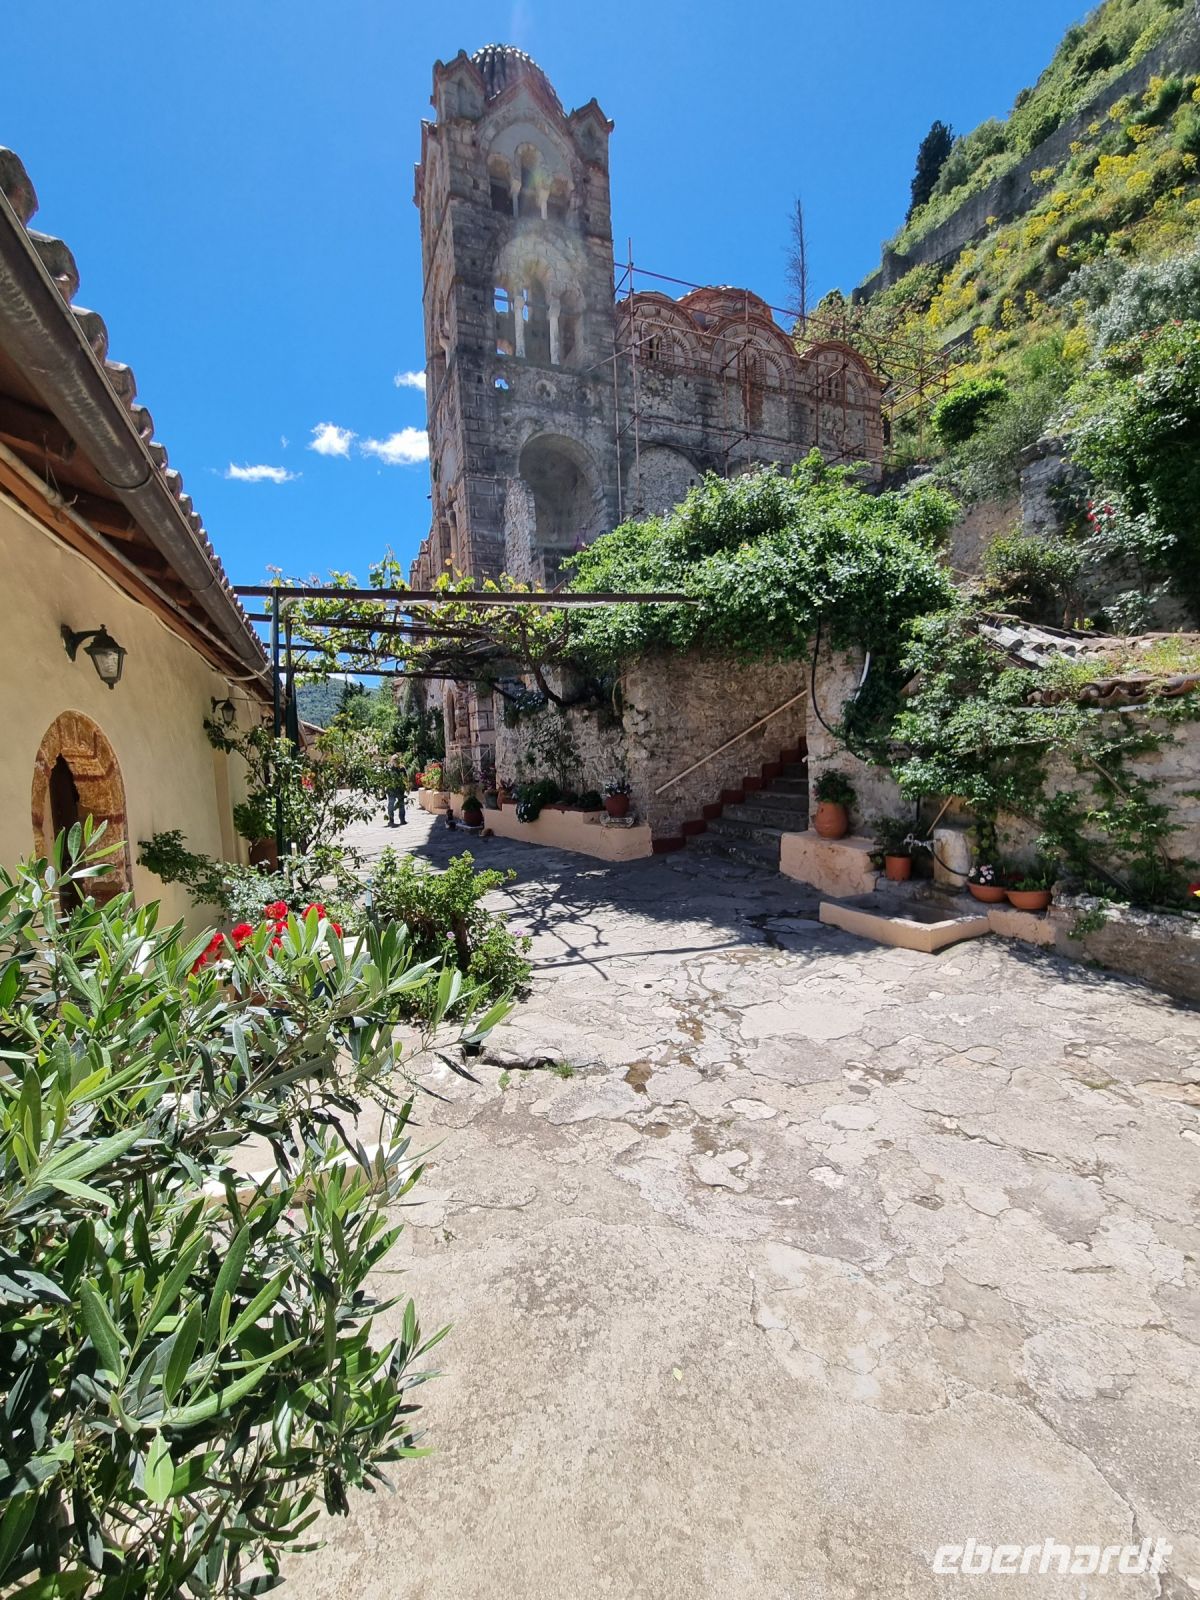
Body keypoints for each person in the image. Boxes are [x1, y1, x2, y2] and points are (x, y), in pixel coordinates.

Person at [385, 755, 408, 827]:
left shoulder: (402, 768)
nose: (395, 761)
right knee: (391, 804)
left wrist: (406, 787)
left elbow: (405, 778)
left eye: (396, 760)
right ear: (391, 761)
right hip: (391, 790)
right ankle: (391, 819)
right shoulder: (389, 769)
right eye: (394, 760)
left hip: (400, 790)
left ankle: (402, 819)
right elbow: (385, 780)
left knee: (401, 804)